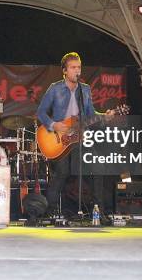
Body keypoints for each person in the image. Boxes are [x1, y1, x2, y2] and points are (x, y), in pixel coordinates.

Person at [37, 52, 114, 217]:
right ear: (65, 70)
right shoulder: (55, 88)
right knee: (61, 173)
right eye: (73, 68)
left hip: (80, 138)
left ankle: (98, 212)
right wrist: (54, 125)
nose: (77, 71)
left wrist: (104, 116)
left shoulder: (85, 90)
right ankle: (49, 212)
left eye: (78, 67)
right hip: (60, 140)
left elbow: (90, 114)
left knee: (98, 168)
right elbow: (41, 113)